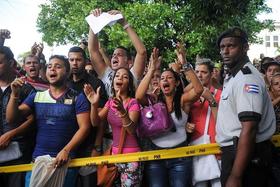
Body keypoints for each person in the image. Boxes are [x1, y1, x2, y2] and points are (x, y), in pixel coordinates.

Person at [6, 55, 91, 187]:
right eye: (49, 66)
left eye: (58, 66)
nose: (52, 69)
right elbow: (11, 118)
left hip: (65, 163)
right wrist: (14, 95)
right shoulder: (36, 96)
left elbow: (85, 127)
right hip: (37, 162)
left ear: (67, 72)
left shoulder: (77, 98)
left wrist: (66, 150)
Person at [215, 27, 276, 187]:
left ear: (245, 48)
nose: (225, 51)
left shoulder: (246, 78)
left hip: (246, 157)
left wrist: (236, 176)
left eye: (231, 46)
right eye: (222, 47)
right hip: (237, 154)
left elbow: (249, 129)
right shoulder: (233, 76)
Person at [135, 46, 203, 187]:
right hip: (155, 158)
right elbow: (138, 96)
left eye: (169, 78)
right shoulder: (154, 100)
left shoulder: (183, 100)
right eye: (162, 78)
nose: (165, 80)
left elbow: (199, 89)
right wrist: (152, 70)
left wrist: (184, 63)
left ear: (177, 83)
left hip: (180, 157)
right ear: (160, 84)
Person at [84, 67, 142, 187]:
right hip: (114, 156)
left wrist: (122, 111)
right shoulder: (110, 102)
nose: (120, 77)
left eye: (125, 77)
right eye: (117, 75)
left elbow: (131, 129)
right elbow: (95, 122)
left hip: (132, 157)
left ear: (129, 85)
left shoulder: (133, 103)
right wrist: (94, 105)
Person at [67, 46, 107, 187]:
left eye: (78, 59)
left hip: (88, 147)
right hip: (66, 146)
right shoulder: (63, 82)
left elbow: (101, 120)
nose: (74, 63)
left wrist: (97, 147)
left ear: (85, 61)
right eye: (71, 59)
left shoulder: (95, 83)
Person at [88, 8, 147, 96]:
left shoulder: (133, 74)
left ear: (129, 62)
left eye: (119, 55)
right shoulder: (106, 73)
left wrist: (124, 23)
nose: (114, 57)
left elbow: (142, 52)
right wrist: (93, 22)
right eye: (113, 55)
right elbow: (93, 51)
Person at [0, 46, 35, 187]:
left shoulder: (26, 88)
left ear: (11, 63)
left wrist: (10, 135)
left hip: (20, 153)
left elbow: (33, 120)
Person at [189, 58, 222, 187]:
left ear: (212, 73)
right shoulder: (190, 96)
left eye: (203, 72)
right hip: (197, 150)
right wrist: (186, 125)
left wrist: (212, 100)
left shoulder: (221, 94)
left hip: (217, 150)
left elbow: (222, 122)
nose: (199, 75)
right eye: (196, 72)